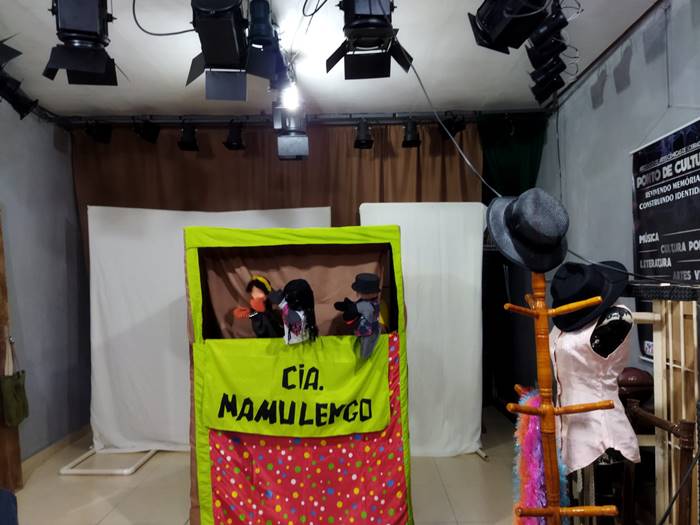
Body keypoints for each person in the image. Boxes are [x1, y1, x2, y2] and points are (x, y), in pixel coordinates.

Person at [334, 273, 381, 359]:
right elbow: (355, 307)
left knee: (363, 353)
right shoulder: (373, 302)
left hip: (366, 334)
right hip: (373, 330)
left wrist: (348, 308)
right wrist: (348, 305)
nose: (357, 293)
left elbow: (348, 315)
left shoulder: (364, 306)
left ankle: (362, 361)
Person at [269, 279, 319, 344]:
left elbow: (295, 320)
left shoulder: (300, 314)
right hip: (292, 337)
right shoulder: (292, 306)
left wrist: (283, 304)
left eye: (288, 296)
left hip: (296, 342)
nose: (286, 298)